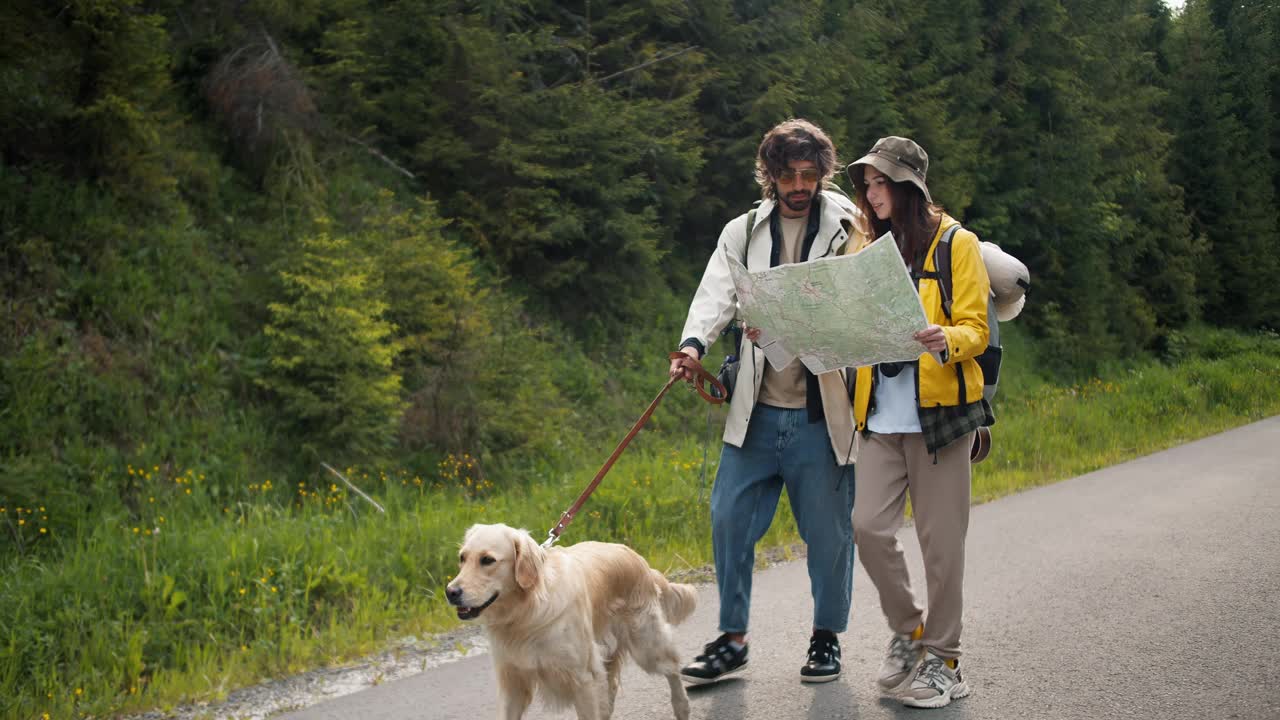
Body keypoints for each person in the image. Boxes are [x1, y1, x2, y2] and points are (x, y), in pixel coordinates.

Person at [669, 118, 862, 685]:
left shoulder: (850, 225)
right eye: (788, 175)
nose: (799, 185)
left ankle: (826, 638)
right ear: (770, 176)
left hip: (822, 413)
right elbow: (715, 293)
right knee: (728, 519)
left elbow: (861, 301)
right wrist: (691, 345)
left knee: (828, 535)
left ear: (824, 174)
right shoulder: (744, 230)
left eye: (809, 174)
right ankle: (732, 639)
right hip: (753, 410)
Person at [844, 136, 991, 708]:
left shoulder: (958, 244)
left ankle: (945, 662)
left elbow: (977, 328)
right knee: (868, 529)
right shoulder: (867, 249)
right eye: (868, 184)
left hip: (941, 420)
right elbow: (849, 324)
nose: (872, 193)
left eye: (881, 183)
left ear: (908, 187)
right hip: (880, 417)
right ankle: (910, 634)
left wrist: (945, 338)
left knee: (941, 545)